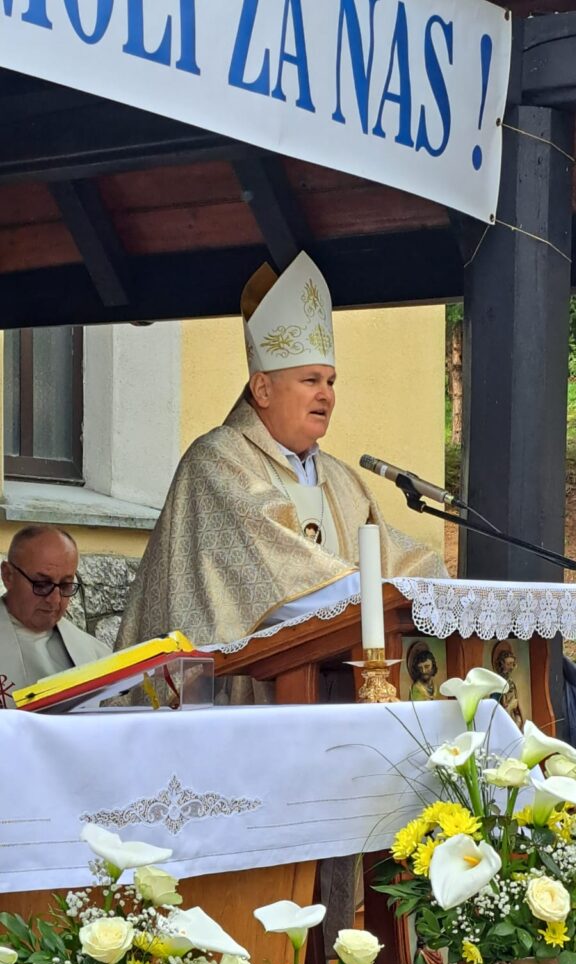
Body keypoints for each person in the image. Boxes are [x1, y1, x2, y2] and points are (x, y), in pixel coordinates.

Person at [117, 252, 446, 666]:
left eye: (330, 381)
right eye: (310, 380)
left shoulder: (344, 481)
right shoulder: (218, 462)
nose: (326, 395)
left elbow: (398, 561)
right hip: (246, 686)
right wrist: (376, 595)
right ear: (263, 389)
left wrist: (444, 592)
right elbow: (274, 580)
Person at [0, 525, 110, 708]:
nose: (55, 599)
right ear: (8, 575)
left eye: (65, 586)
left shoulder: (97, 656)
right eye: (42, 584)